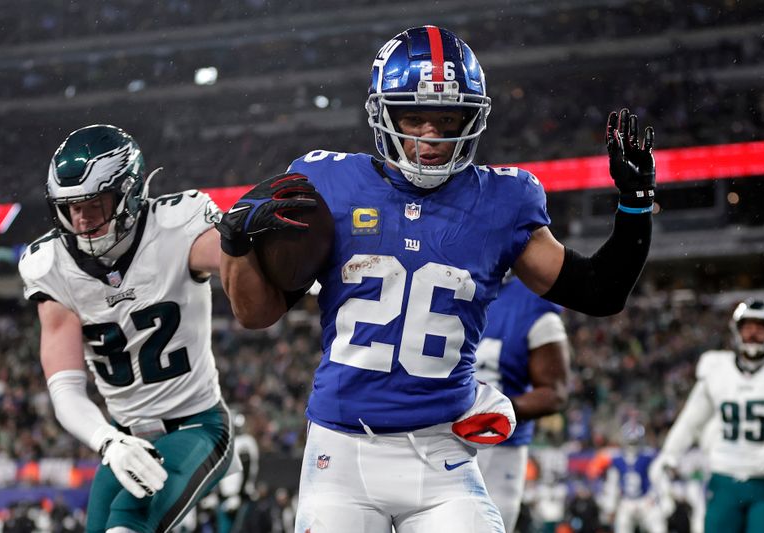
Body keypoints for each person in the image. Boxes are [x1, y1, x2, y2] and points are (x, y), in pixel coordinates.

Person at [216, 25, 656, 533]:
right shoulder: (331, 186)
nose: (430, 136)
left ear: (471, 119)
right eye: (413, 117)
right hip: (341, 453)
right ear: (384, 114)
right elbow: (255, 313)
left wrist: (635, 205)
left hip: (443, 452)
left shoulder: (502, 201)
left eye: (447, 119)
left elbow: (600, 292)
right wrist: (236, 245)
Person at [18, 124, 235, 533]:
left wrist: (276, 258)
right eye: (71, 207)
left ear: (128, 193)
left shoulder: (175, 228)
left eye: (95, 204)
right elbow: (64, 389)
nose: (81, 219)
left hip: (197, 425)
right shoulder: (51, 267)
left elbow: (239, 258)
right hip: (124, 437)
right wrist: (107, 440)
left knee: (128, 522)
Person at [652, 298, 764, 533]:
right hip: (724, 477)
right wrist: (670, 454)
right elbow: (691, 421)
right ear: (737, 330)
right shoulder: (717, 369)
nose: (753, 333)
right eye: (748, 326)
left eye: (761, 326)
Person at [474, 275, 571, 532]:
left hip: (498, 449)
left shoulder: (530, 299)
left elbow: (555, 392)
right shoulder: (445, 274)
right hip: (432, 439)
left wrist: (491, 412)